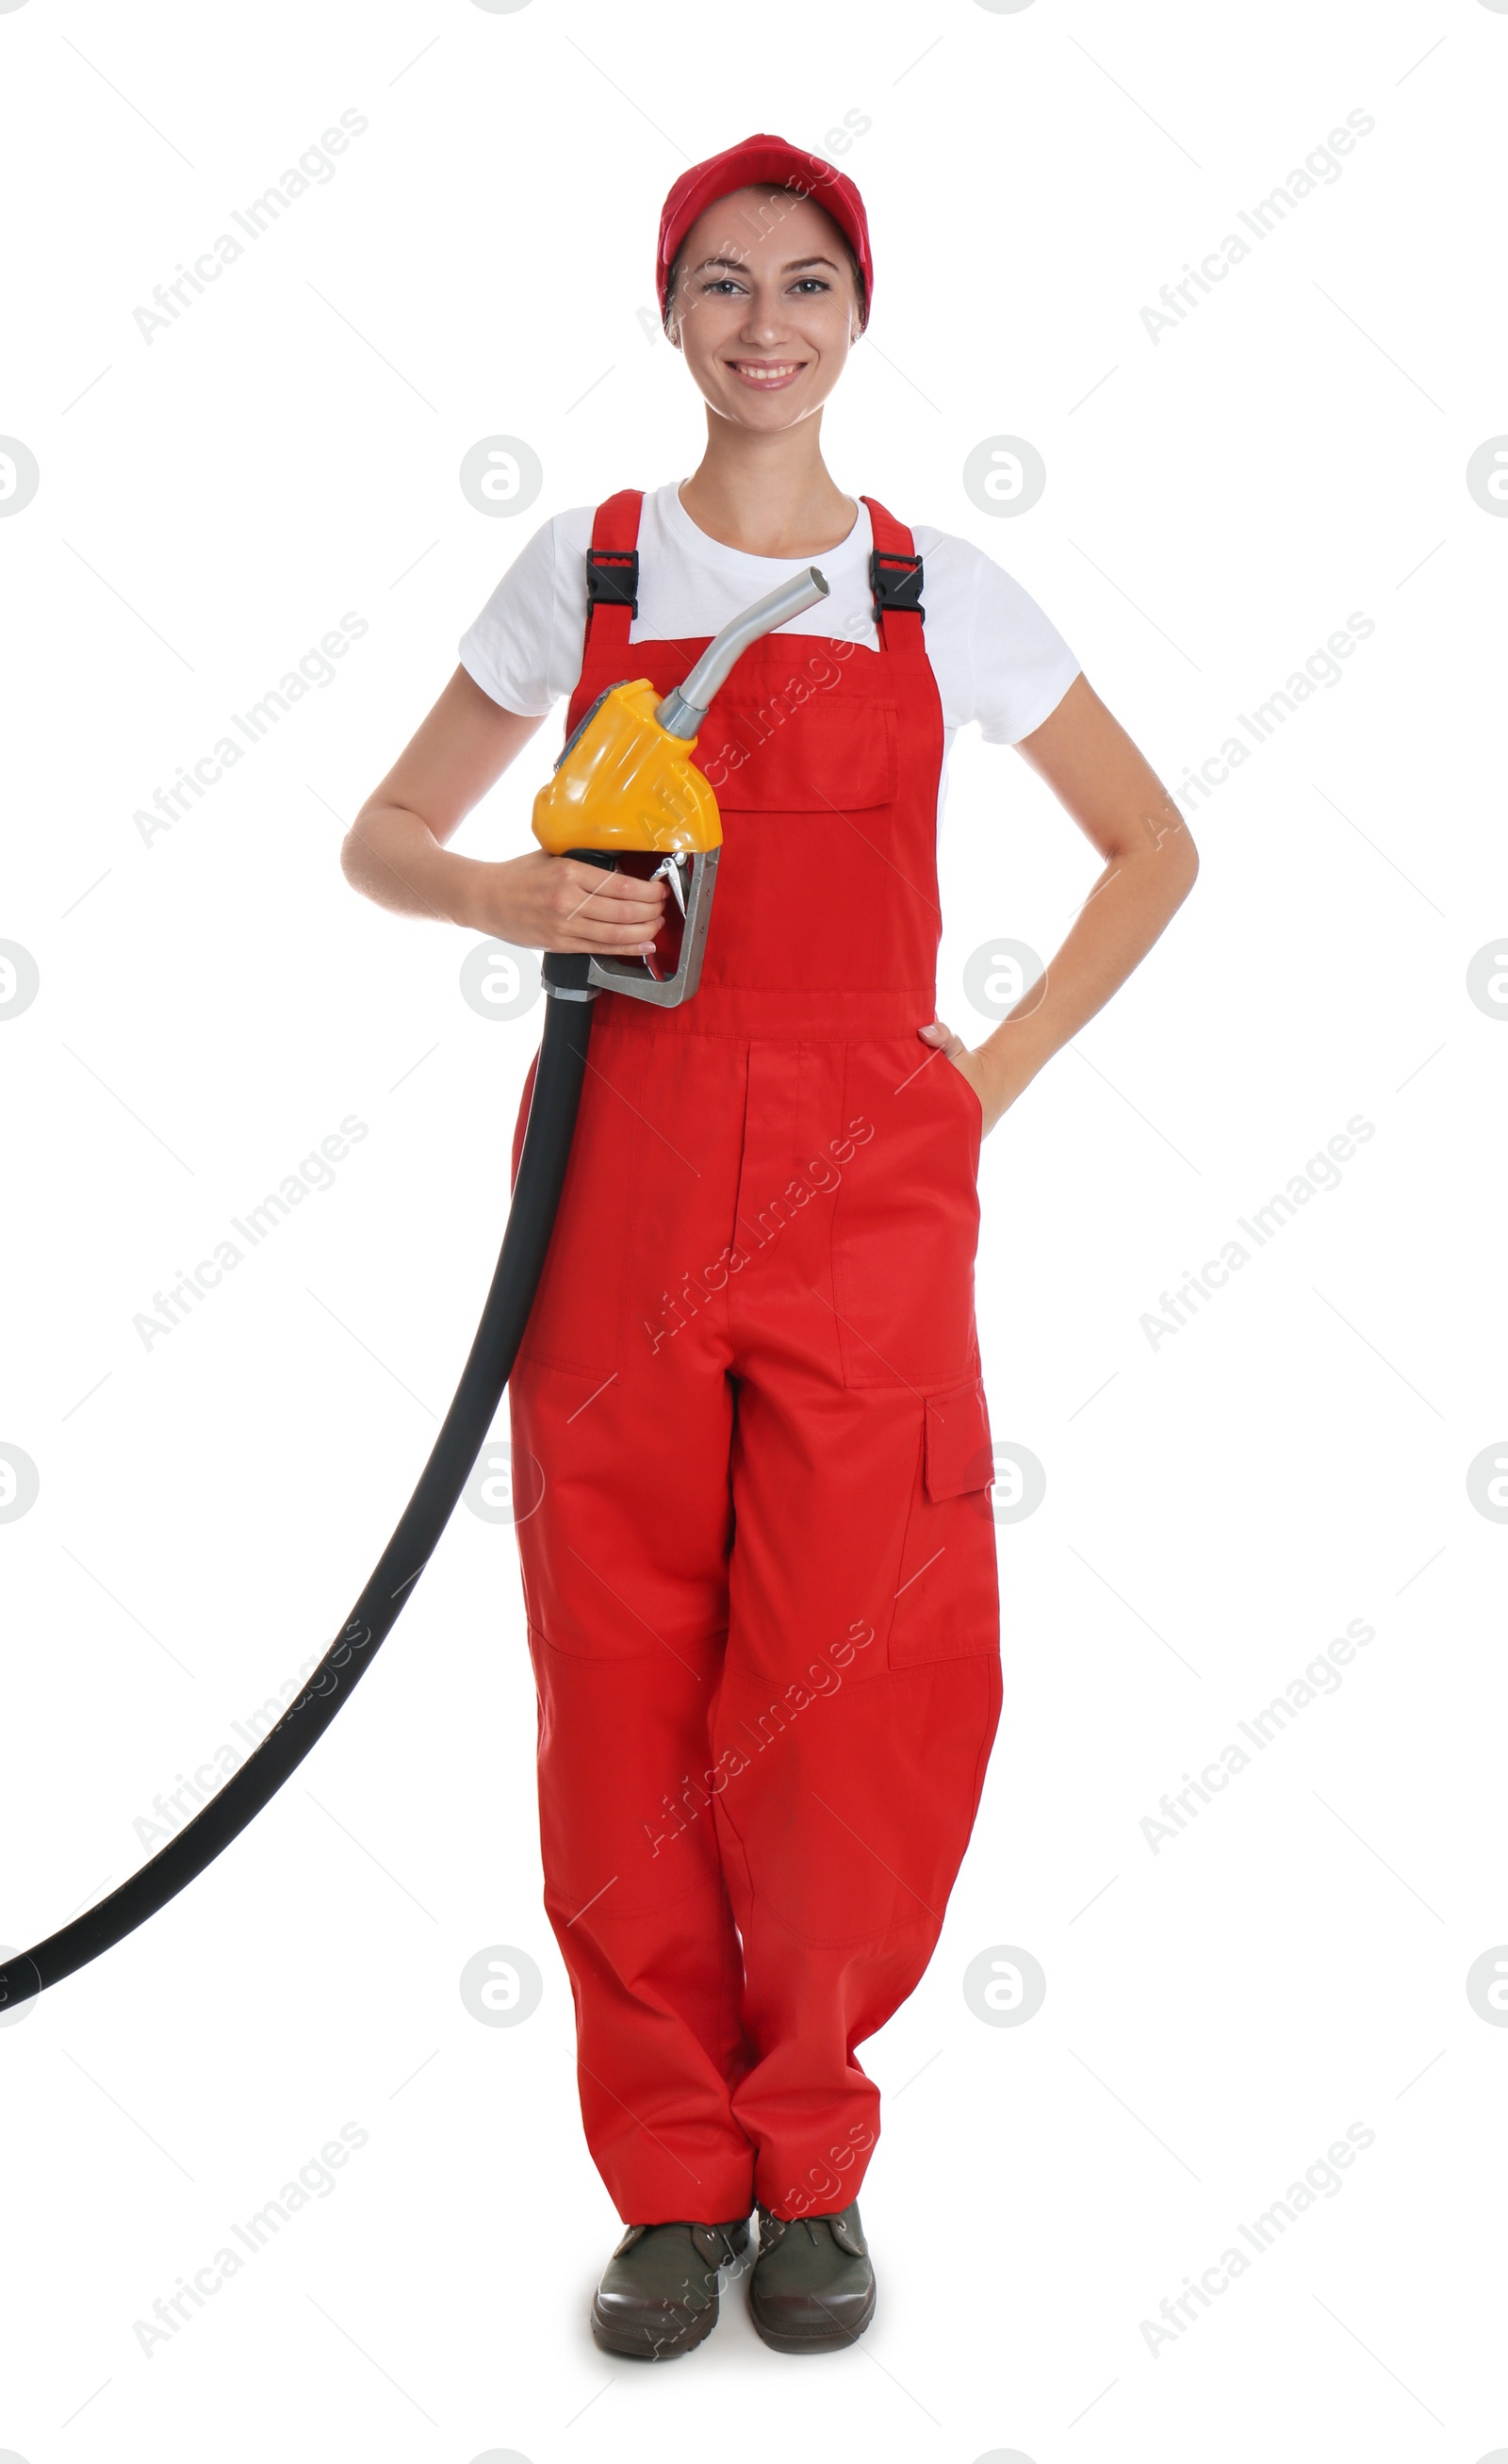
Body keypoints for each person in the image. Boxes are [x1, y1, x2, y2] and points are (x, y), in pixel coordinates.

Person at [342, 131, 1198, 2362]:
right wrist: (502, 895)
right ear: (667, 313)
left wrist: (972, 1085)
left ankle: (809, 2158)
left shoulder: (935, 593)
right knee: (617, 1682)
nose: (761, 321)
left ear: (854, 312)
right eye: (718, 281)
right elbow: (380, 831)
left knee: (864, 1688)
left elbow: (1148, 845)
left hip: (866, 1201)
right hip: (613, 1174)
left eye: (802, 281)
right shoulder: (587, 566)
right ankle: (668, 2187)